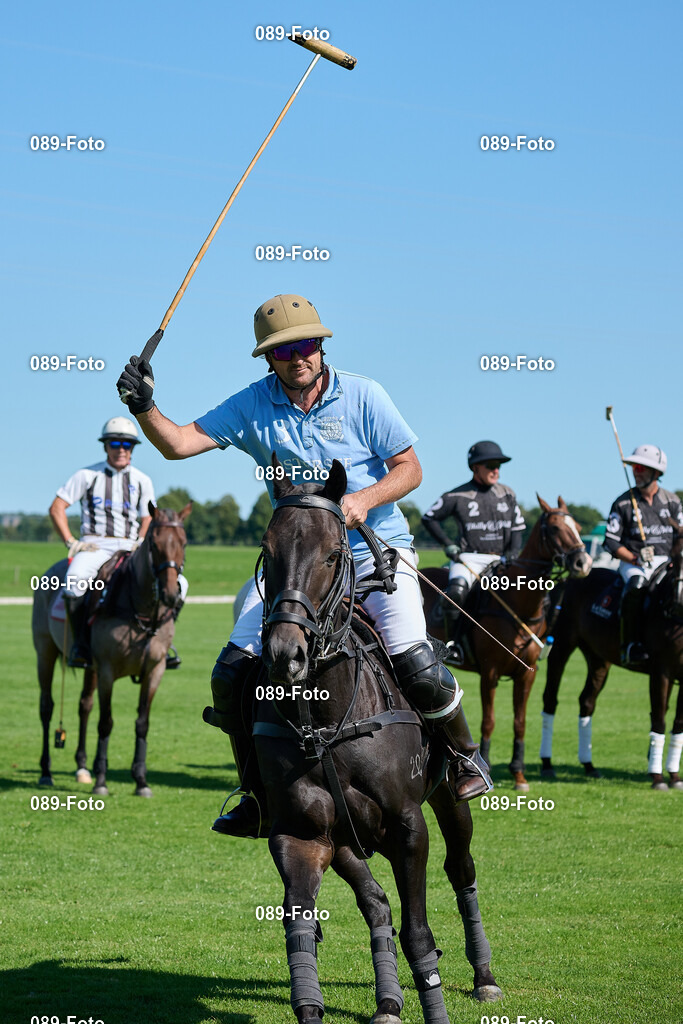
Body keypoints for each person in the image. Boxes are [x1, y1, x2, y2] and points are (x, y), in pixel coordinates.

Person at [117, 293, 492, 836]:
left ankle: (464, 757)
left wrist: (364, 499)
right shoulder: (252, 404)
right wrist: (144, 407)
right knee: (230, 673)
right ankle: (256, 794)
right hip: (295, 572)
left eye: (307, 345)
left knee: (417, 662)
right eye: (283, 351)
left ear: (321, 345)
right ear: (268, 359)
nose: (298, 358)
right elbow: (177, 444)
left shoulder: (364, 395)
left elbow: (410, 469)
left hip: (373, 554)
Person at [49, 416, 187, 668]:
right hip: (95, 546)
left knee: (181, 585)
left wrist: (140, 540)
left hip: (130, 547)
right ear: (105, 446)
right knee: (74, 582)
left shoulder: (142, 480)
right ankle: (81, 645)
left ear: (132, 448)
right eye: (115, 443)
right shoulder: (86, 475)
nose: (121, 449)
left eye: (127, 444)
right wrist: (71, 542)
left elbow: (148, 516)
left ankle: (161, 642)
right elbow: (57, 507)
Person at [421, 441, 525, 660]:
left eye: (498, 466)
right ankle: (452, 646)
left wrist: (514, 551)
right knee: (455, 593)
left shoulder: (507, 494)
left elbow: (518, 528)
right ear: (475, 467)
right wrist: (448, 544)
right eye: (491, 466)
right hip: (468, 559)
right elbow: (429, 518)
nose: (496, 470)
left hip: (501, 560)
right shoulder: (456, 495)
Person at [604, 444, 683, 667]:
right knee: (636, 586)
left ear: (656, 473)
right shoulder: (623, 502)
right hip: (634, 562)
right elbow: (610, 541)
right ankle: (630, 644)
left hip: (667, 561)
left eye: (640, 468)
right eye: (634, 468)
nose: (635, 472)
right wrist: (634, 558)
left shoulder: (672, 501)